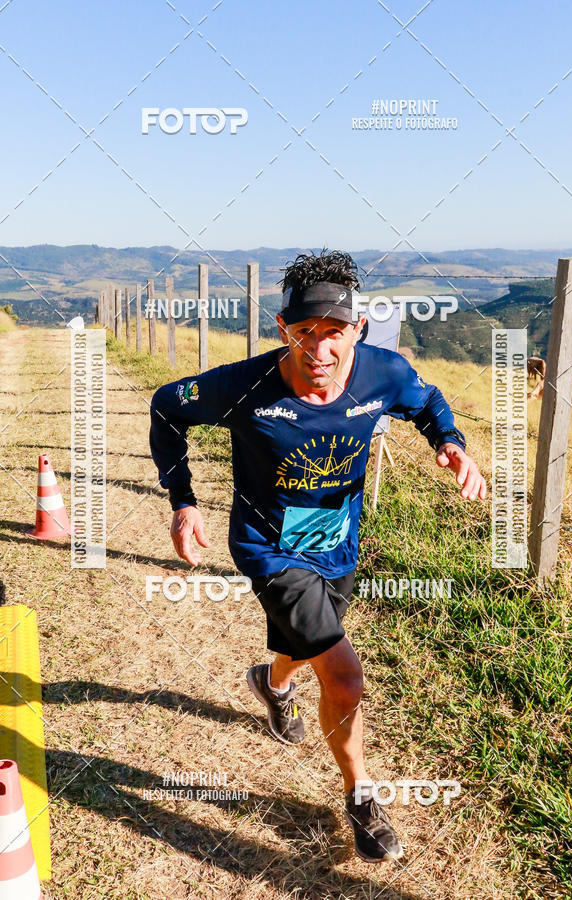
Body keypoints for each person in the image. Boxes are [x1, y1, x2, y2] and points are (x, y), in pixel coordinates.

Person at [149, 249, 487, 863]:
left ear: (356, 329)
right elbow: (166, 408)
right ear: (284, 329)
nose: (320, 351)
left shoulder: (382, 372)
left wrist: (452, 445)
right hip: (269, 549)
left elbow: (427, 400)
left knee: (306, 642)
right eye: (306, 333)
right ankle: (360, 796)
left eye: (335, 333)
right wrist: (183, 500)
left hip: (338, 545)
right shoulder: (243, 385)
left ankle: (271, 683)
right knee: (344, 675)